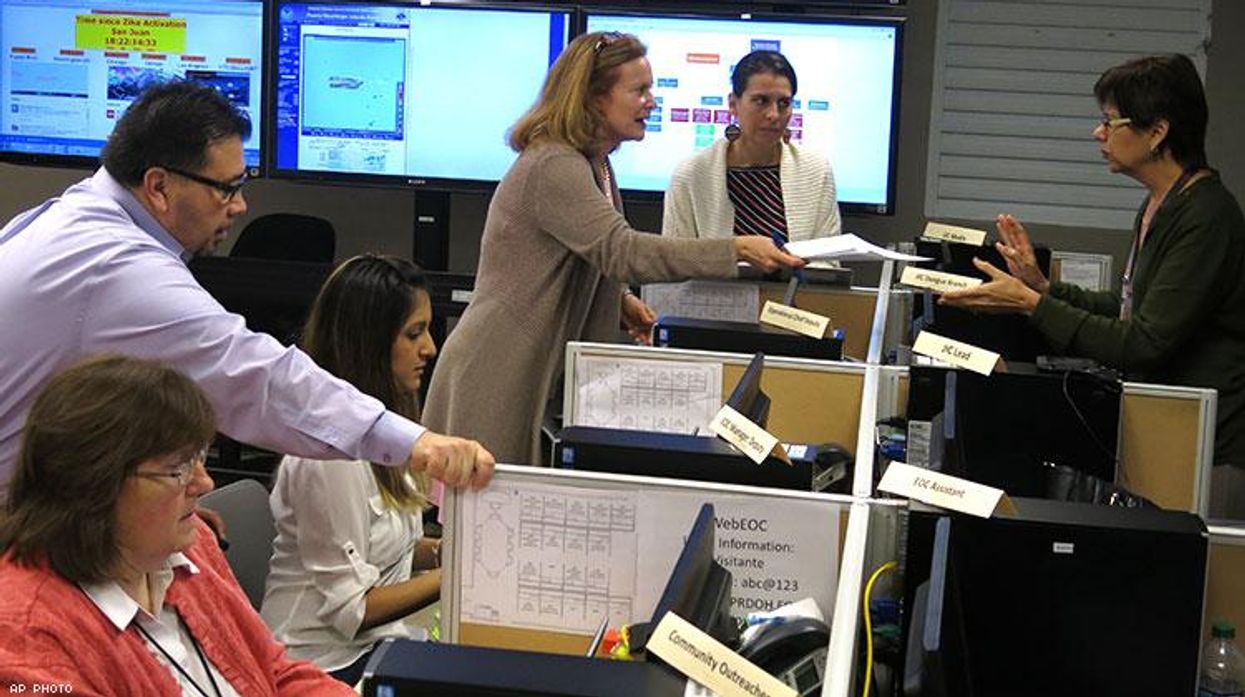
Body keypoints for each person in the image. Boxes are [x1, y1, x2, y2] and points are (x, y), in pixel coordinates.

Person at [0, 80, 493, 503]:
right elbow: (261, 378)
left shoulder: (65, 217)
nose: (239, 206)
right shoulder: (119, 267)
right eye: (227, 188)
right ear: (158, 186)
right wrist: (417, 444)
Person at [421, 31, 805, 465]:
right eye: (639, 91)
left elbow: (588, 254)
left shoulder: (594, 162)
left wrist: (619, 300)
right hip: (499, 371)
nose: (651, 102)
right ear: (593, 98)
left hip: (533, 368)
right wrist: (736, 248)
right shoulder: (554, 164)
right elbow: (623, 251)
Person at [939, 54, 1245, 519]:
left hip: (1206, 447)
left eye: (1109, 121)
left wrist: (1032, 306)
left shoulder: (1206, 217)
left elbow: (1144, 342)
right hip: (1162, 430)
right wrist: (1043, 289)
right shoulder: (1158, 204)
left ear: (1157, 132)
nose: (1097, 134)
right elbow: (1130, 311)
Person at [0, 354, 354, 695]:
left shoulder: (190, 545)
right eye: (178, 468)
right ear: (95, 484)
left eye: (199, 456)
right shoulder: (26, 639)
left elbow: (273, 672)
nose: (205, 483)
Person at [261, 255, 442, 685]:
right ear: (371, 344)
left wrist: (445, 550)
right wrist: (453, 577)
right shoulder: (328, 459)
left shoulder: (388, 435)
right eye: (413, 334)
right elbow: (354, 610)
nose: (430, 348)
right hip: (320, 664)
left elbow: (383, 550)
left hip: (375, 647)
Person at [662, 50, 841, 244]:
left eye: (783, 103)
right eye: (761, 101)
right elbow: (675, 263)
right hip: (712, 276)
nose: (773, 114)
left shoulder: (816, 171)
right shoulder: (691, 174)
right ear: (733, 104)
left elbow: (828, 264)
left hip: (798, 275)